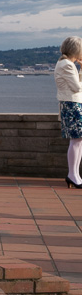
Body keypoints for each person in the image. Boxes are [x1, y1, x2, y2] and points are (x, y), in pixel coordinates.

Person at [55, 36, 82, 189]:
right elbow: (77, 87)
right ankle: (73, 174)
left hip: (73, 104)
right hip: (72, 105)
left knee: (78, 141)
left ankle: (75, 175)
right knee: (76, 140)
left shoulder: (66, 64)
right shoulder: (67, 65)